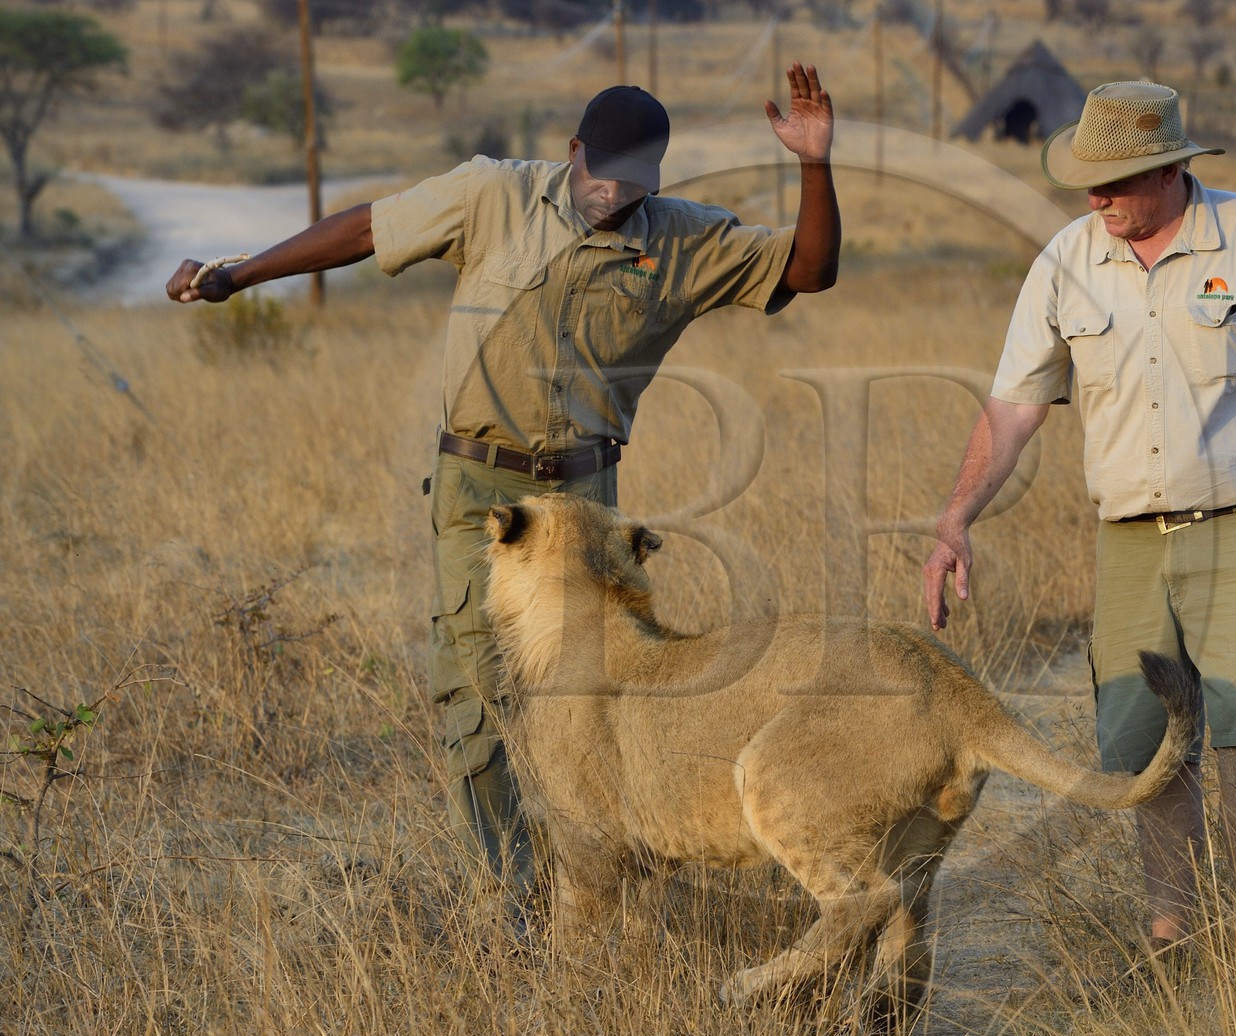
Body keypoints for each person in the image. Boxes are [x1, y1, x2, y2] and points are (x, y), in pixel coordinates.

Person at [167, 64, 841, 900]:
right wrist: (239, 274)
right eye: (600, 177)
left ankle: (596, 891)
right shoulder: (492, 196)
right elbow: (368, 230)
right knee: (478, 694)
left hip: (583, 508)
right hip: (479, 493)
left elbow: (809, 270)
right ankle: (515, 902)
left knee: (588, 704)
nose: (611, 197)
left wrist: (814, 163)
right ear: (572, 154)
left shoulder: (682, 240)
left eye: (632, 185)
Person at [921, 82, 1236, 960]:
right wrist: (956, 518)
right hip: (1132, 540)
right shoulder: (1065, 261)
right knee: (1148, 746)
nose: (1095, 199)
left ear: (1175, 168)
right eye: (1086, 183)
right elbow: (1013, 410)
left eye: (1115, 181)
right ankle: (1169, 934)